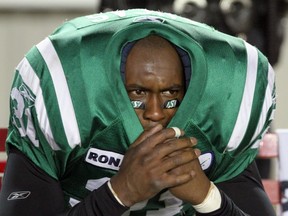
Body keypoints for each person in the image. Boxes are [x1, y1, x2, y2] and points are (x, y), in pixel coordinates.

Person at [0, 9, 276, 216]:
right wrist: (119, 192)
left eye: (171, 94)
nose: (155, 113)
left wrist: (208, 198)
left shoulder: (229, 91)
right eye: (137, 93)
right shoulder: (63, 86)